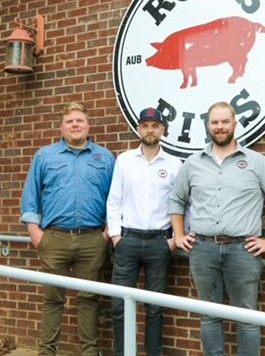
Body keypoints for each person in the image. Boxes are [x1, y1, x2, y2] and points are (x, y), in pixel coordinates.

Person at [169, 101, 265, 356]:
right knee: (209, 315)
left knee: (247, 316)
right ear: (208, 126)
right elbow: (176, 200)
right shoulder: (193, 164)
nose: (220, 127)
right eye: (215, 122)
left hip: (242, 250)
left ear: (235, 124)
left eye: (225, 122)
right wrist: (179, 235)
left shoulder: (256, 162)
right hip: (202, 249)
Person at [20, 102, 115, 356]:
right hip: (54, 238)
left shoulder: (104, 157)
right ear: (61, 127)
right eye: (70, 121)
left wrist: (106, 233)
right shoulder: (45, 156)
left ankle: (90, 352)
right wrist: (34, 231)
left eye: (80, 120)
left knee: (89, 298)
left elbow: (115, 198)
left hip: (93, 239)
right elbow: (31, 195)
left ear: (88, 125)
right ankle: (47, 352)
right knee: (53, 299)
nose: (75, 125)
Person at [107, 107, 182, 356]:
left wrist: (174, 240)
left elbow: (182, 204)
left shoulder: (174, 165)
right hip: (127, 241)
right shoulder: (125, 160)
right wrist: (117, 237)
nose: (150, 129)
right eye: (145, 125)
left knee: (155, 307)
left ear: (163, 129)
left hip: (159, 243)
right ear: (139, 129)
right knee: (119, 304)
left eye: (155, 125)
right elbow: (114, 200)